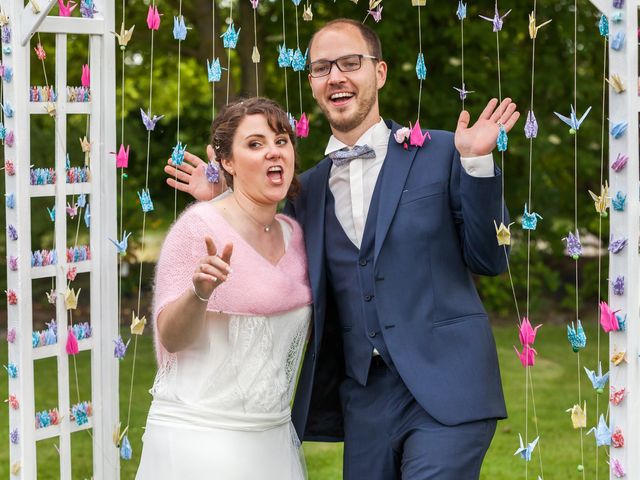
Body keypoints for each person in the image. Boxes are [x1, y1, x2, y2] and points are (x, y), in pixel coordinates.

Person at [166, 19, 520, 480]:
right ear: (312, 84)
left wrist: (475, 164)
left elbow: (490, 258)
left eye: (350, 63)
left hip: (449, 386)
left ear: (381, 72)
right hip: (365, 400)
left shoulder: (443, 151)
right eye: (321, 68)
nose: (336, 76)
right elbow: (263, 252)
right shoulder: (304, 191)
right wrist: (219, 202)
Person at [138, 98, 312, 480]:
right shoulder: (198, 228)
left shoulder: (296, 235)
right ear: (227, 163)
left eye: (281, 141)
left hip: (273, 438)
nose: (273, 152)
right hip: (201, 439)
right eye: (254, 144)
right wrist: (199, 293)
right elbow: (172, 336)